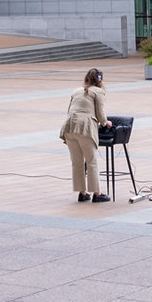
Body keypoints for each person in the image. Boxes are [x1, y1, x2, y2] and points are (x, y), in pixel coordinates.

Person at [59, 67, 108, 203]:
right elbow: (100, 113)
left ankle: (82, 193)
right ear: (99, 80)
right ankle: (97, 194)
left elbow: (70, 110)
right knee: (91, 161)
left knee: (77, 162)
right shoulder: (98, 91)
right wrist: (106, 123)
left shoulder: (76, 91)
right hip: (85, 128)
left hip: (69, 127)